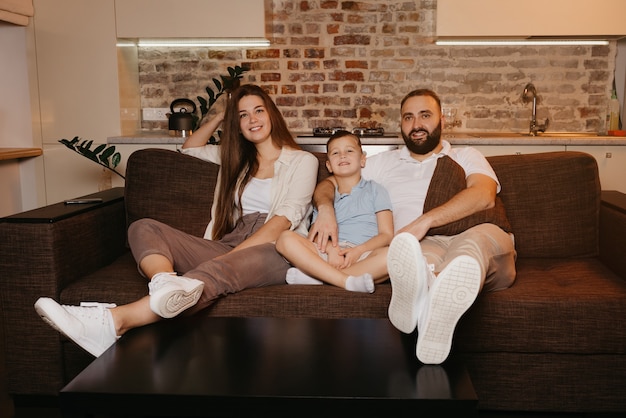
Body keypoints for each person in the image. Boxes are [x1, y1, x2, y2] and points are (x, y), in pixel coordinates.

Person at [34, 84, 319, 357]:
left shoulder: (302, 161)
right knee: (143, 226)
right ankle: (164, 283)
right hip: (231, 240)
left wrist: (228, 260)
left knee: (217, 272)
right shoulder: (234, 158)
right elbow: (190, 148)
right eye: (243, 115)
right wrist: (224, 113)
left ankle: (113, 321)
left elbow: (282, 221)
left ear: (272, 114)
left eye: (258, 110)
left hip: (277, 248)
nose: (252, 120)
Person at [309, 88, 517, 364]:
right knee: (418, 263)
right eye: (408, 117)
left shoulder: (466, 155)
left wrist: (425, 221)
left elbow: (483, 196)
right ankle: (433, 304)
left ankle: (436, 292)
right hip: (419, 246)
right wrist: (325, 208)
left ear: (442, 120)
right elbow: (331, 180)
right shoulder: (383, 163)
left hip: (477, 232)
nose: (416, 124)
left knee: (468, 251)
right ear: (401, 125)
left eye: (425, 115)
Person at [275, 130, 393, 293]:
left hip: (363, 255)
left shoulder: (376, 190)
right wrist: (331, 250)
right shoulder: (324, 196)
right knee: (284, 238)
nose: (342, 155)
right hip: (326, 254)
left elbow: (386, 235)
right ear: (329, 165)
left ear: (363, 159)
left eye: (349, 151)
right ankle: (346, 280)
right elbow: (315, 232)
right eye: (336, 153)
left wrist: (358, 250)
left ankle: (319, 278)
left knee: (391, 257)